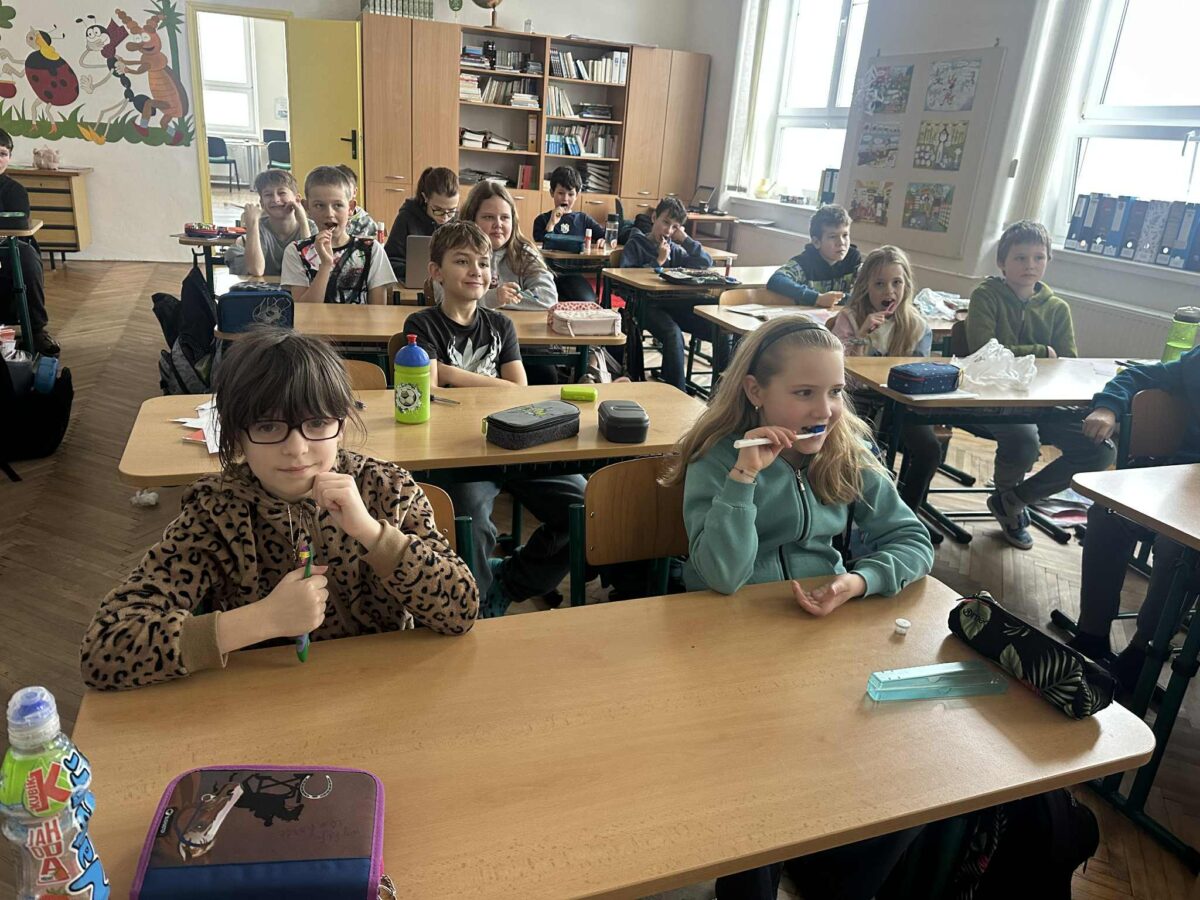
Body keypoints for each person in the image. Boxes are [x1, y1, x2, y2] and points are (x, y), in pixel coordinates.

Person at [661, 316, 933, 899]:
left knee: (906, 775)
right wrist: (744, 479)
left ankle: (827, 872)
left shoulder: (845, 451)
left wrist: (857, 581)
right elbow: (721, 577)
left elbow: (914, 540)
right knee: (760, 785)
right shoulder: (718, 458)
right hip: (726, 641)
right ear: (756, 392)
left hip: (820, 637)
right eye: (804, 392)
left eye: (835, 391)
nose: (825, 410)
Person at [79, 329, 478, 691]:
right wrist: (261, 620)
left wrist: (373, 534)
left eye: (317, 423)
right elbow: (103, 648)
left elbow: (461, 609)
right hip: (266, 700)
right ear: (237, 436)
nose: (296, 449)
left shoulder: (388, 490)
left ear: (341, 423)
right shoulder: (216, 512)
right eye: (268, 427)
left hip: (386, 689)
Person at [406, 222, 584, 616]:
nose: (476, 270)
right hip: (456, 451)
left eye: (483, 263)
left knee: (586, 507)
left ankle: (511, 582)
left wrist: (452, 374)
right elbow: (429, 386)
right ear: (436, 272)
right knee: (470, 519)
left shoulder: (501, 324)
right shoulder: (421, 324)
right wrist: (481, 382)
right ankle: (478, 604)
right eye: (461, 261)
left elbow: (518, 390)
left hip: (513, 441)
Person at [964, 219, 1115, 549]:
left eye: (1038, 257)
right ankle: (1009, 501)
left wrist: (1037, 355)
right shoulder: (986, 296)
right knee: (1024, 439)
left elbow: (1068, 363)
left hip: (1045, 403)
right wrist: (1042, 352)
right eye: (1020, 258)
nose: (1029, 265)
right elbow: (984, 351)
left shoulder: (1057, 309)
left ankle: (1012, 500)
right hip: (993, 399)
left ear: (1048, 260)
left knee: (1099, 451)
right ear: (1002, 262)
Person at [1067, 347, 1200, 689]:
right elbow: (1139, 375)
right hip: (1178, 478)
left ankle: (1143, 653)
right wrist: (1108, 407)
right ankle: (1091, 636)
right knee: (1107, 513)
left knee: (1177, 547)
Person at [830, 245, 940, 516]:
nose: (889, 291)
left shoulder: (917, 326)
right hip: (858, 401)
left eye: (896, 283)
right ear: (866, 286)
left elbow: (921, 375)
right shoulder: (850, 318)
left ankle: (906, 514)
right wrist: (862, 336)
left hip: (901, 404)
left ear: (906, 286)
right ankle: (855, 513)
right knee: (864, 451)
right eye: (879, 284)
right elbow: (838, 373)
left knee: (929, 450)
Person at [620, 196, 719, 392]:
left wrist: (686, 240)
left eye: (675, 227)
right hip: (644, 306)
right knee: (673, 334)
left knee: (718, 329)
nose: (668, 230)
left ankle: (722, 391)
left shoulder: (675, 249)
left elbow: (705, 262)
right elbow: (626, 279)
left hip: (674, 305)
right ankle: (677, 393)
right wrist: (658, 261)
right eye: (665, 222)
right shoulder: (636, 244)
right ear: (654, 218)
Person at [281, 166, 397, 305]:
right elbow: (304, 310)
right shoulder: (296, 251)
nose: (329, 213)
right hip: (313, 320)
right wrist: (325, 265)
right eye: (319, 205)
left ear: (351, 208)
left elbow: (378, 309)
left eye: (338, 205)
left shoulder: (371, 249)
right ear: (307, 208)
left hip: (362, 320)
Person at [0, 128, 56, 355]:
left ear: (9, 157)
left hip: (6, 247)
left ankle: (36, 329)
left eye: (3, 154)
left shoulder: (15, 190)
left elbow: (18, 224)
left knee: (25, 255)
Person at [532, 165, 605, 302]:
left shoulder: (583, 219)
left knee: (588, 300)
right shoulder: (541, 220)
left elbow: (603, 235)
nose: (565, 199)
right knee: (539, 299)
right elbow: (541, 246)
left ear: (577, 195)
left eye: (570, 194)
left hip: (573, 274)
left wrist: (603, 240)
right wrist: (552, 223)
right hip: (547, 273)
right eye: (560, 193)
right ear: (552, 192)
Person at [766, 204, 862, 308]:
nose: (841, 242)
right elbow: (776, 280)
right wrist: (818, 298)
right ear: (816, 242)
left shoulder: (853, 258)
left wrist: (841, 299)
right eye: (833, 237)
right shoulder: (805, 262)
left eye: (845, 235)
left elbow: (864, 291)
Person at [225, 169, 314, 278]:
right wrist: (252, 224)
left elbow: (310, 266)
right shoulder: (260, 228)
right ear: (262, 203)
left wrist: (303, 221)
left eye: (282, 193)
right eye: (268, 195)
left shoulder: (310, 227)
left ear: (297, 199)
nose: (275, 199)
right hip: (266, 288)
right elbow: (256, 270)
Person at [383, 166, 459, 282]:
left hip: (450, 285)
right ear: (425, 198)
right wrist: (414, 272)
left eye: (452, 210)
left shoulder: (457, 223)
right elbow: (389, 261)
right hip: (416, 284)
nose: (445, 217)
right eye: (438, 209)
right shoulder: (407, 217)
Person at [335, 164, 382, 239]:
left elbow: (375, 244)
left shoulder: (366, 223)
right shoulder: (321, 219)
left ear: (354, 192)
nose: (339, 194)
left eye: (346, 190)